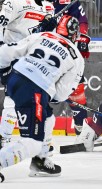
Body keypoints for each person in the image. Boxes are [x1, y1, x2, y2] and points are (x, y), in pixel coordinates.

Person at [0, 15, 84, 181]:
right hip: (35, 91)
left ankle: (41, 160)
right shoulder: (77, 58)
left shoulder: (42, 35)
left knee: (48, 116)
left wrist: (4, 74)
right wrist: (50, 95)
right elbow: (62, 93)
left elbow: (6, 51)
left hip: (16, 80)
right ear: (74, 34)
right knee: (32, 143)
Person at [0, 0, 54, 153]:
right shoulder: (14, 2)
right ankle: (3, 138)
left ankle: (41, 146)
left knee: (40, 99)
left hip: (35, 60)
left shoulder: (48, 6)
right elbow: (0, 23)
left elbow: (48, 36)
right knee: (12, 98)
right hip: (13, 56)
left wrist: (50, 29)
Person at [52, 0, 91, 136]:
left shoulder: (65, 1)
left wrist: (83, 37)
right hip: (41, 49)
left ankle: (81, 127)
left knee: (77, 87)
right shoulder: (28, 4)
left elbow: (82, 20)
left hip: (65, 48)